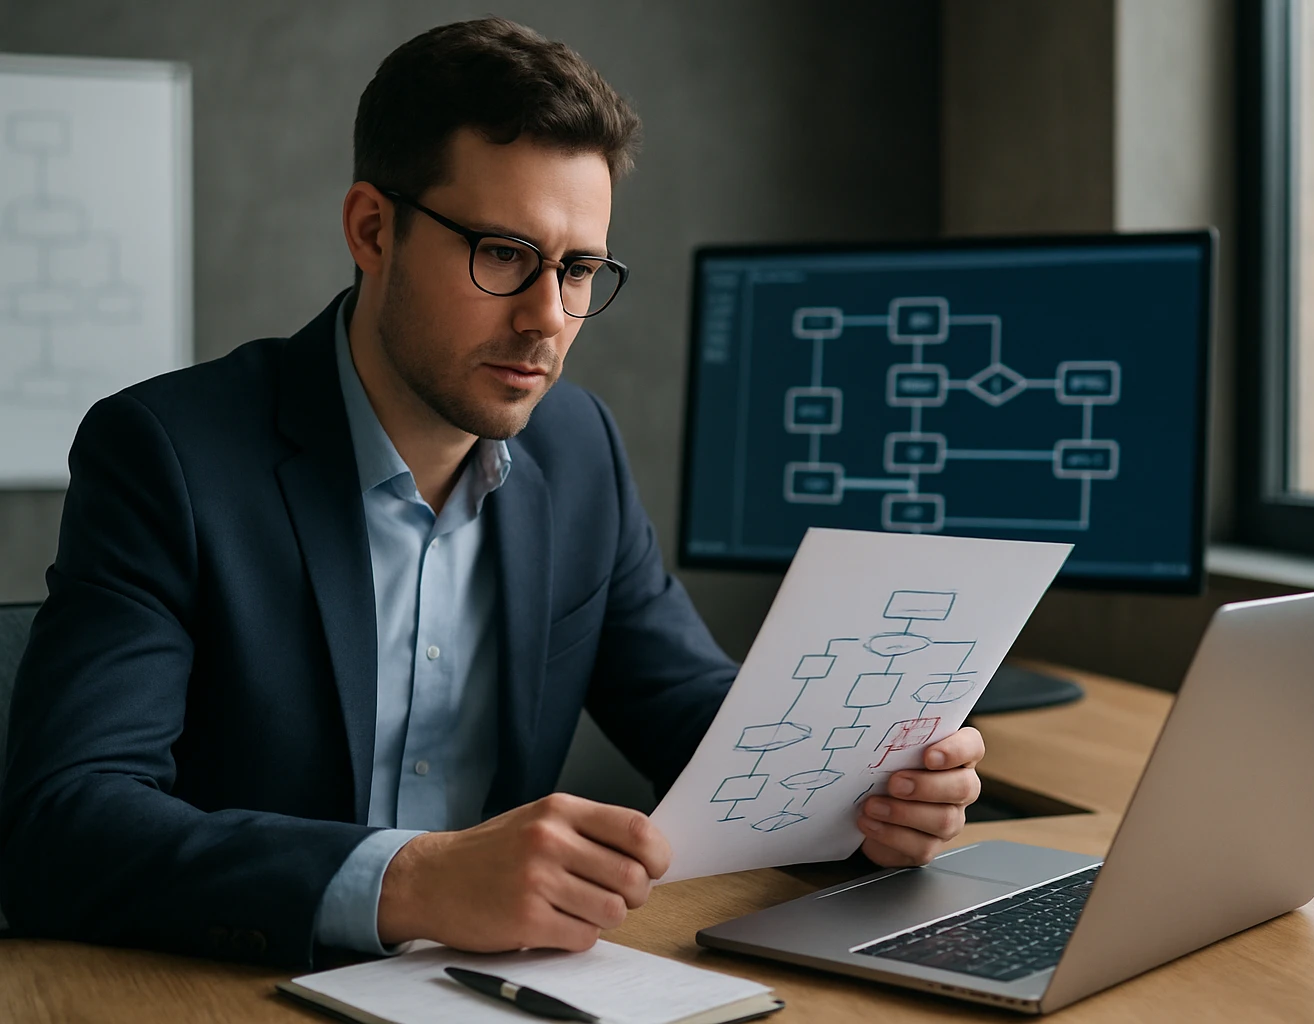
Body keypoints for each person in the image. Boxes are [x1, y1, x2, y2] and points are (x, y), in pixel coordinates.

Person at [0, 17, 985, 968]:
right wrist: (413, 882)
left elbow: (696, 712)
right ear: (372, 228)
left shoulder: (579, 449)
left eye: (580, 268)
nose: (546, 318)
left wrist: (870, 793)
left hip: (504, 991)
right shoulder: (166, 454)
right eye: (505, 256)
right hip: (239, 990)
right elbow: (66, 823)